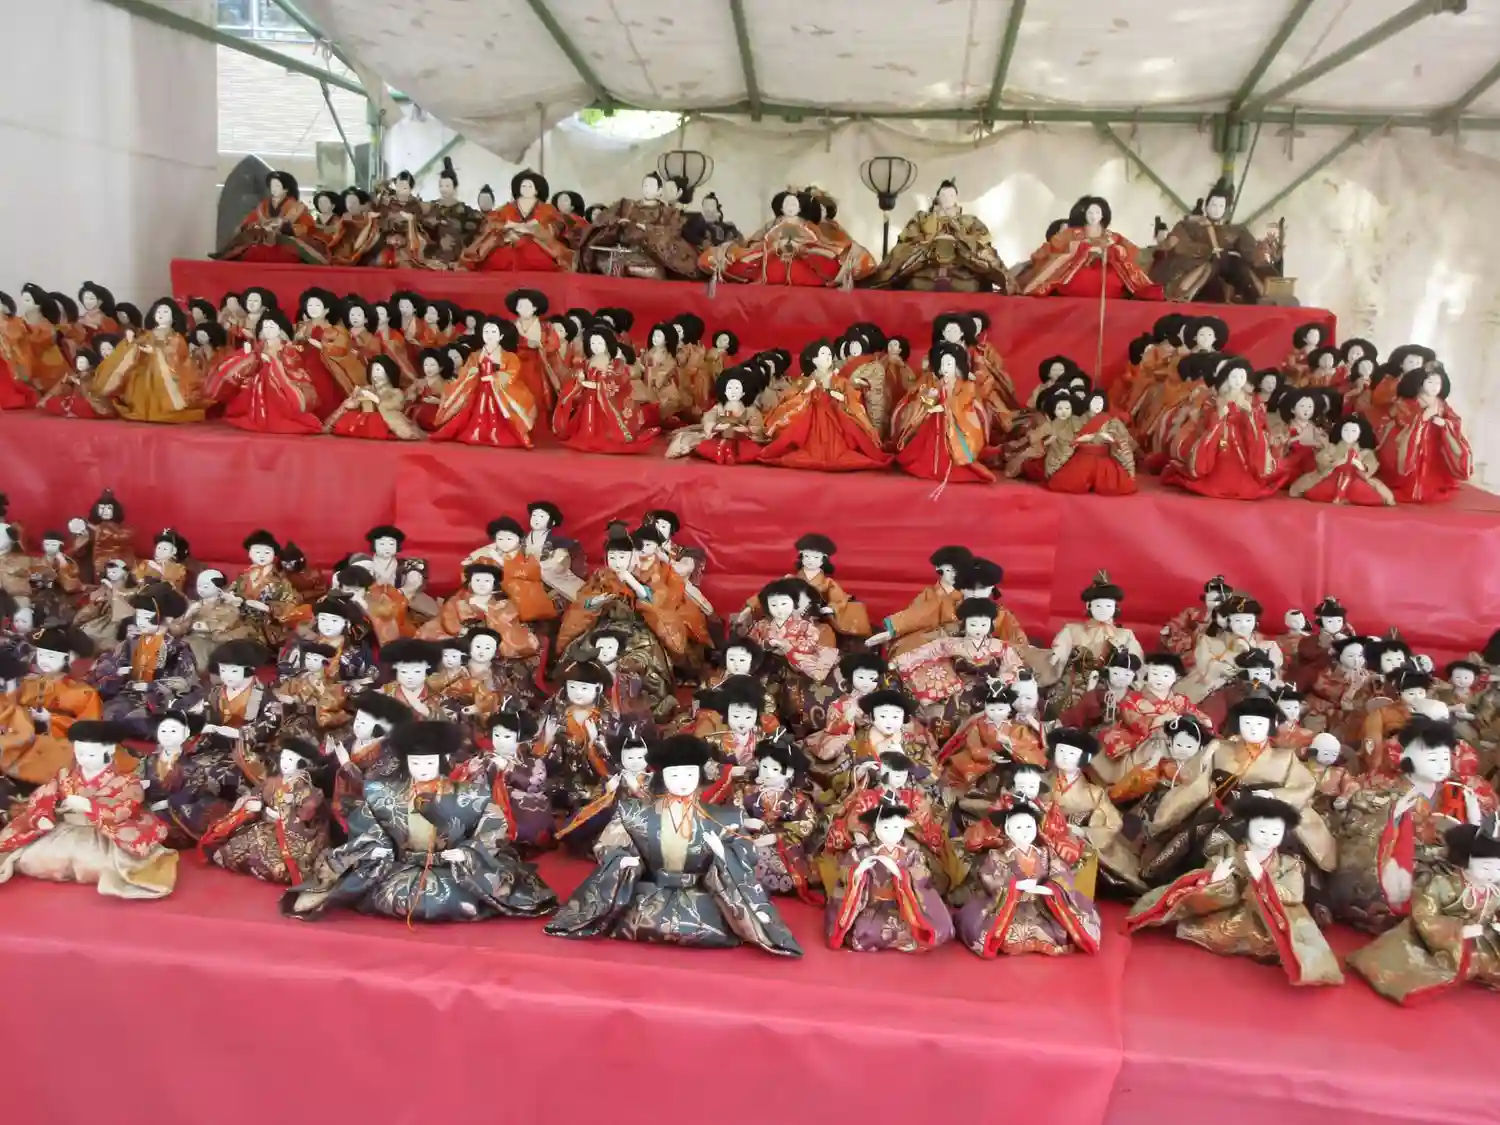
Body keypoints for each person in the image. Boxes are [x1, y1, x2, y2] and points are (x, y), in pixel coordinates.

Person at [545, 733, 802, 955]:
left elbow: (745, 854)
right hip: (648, 897)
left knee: (714, 922)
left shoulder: (724, 818)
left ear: (699, 775)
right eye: (674, 775)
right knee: (632, 916)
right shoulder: (634, 813)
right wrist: (624, 859)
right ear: (662, 777)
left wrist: (723, 853)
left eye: (689, 774)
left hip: (700, 901)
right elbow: (610, 844)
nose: (682, 781)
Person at [284, 721, 558, 923]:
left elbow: (493, 825)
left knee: (457, 896)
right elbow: (369, 822)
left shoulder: (469, 793)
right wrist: (377, 847)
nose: (422, 769)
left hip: (452, 868)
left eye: (429, 763)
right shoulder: (384, 793)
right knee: (394, 895)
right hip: (400, 866)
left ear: (441, 761)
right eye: (416, 763)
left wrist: (466, 852)